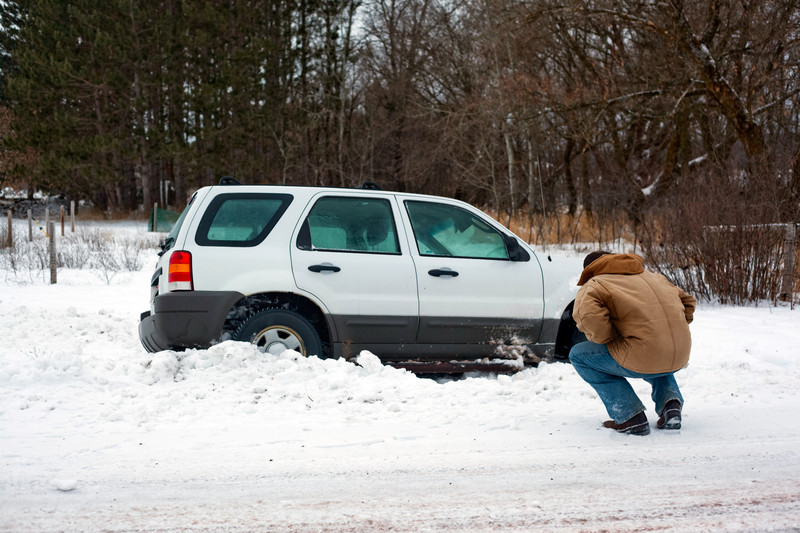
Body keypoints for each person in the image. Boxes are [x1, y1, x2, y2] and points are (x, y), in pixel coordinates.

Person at [569, 251, 696, 436]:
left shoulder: (595, 284)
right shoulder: (655, 277)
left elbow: (590, 319)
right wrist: (673, 329)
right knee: (652, 344)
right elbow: (688, 303)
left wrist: (610, 337)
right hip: (680, 353)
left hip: (644, 354)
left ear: (590, 269)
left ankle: (629, 417)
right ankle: (671, 406)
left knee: (578, 355)